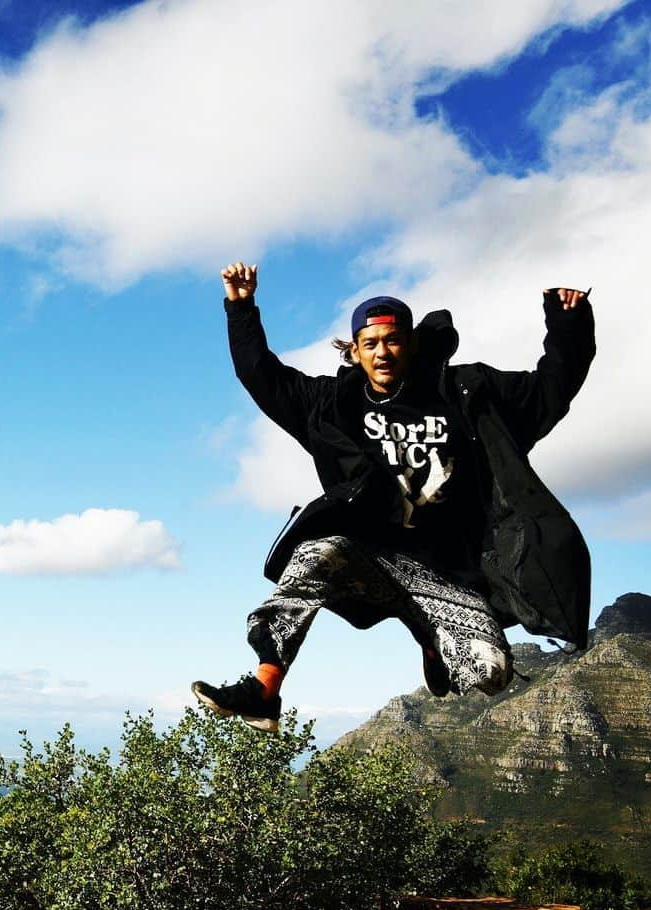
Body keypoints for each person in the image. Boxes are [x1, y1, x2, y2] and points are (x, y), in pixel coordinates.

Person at [192, 262, 595, 733]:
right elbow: (261, 375)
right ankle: (264, 688)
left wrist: (568, 323)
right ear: (355, 352)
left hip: (451, 577)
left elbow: (552, 390)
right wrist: (241, 307)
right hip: (374, 561)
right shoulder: (330, 405)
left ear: (411, 344)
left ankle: (433, 640)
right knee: (318, 554)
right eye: (370, 344)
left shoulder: (466, 394)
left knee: (489, 672)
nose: (382, 352)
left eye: (393, 340)